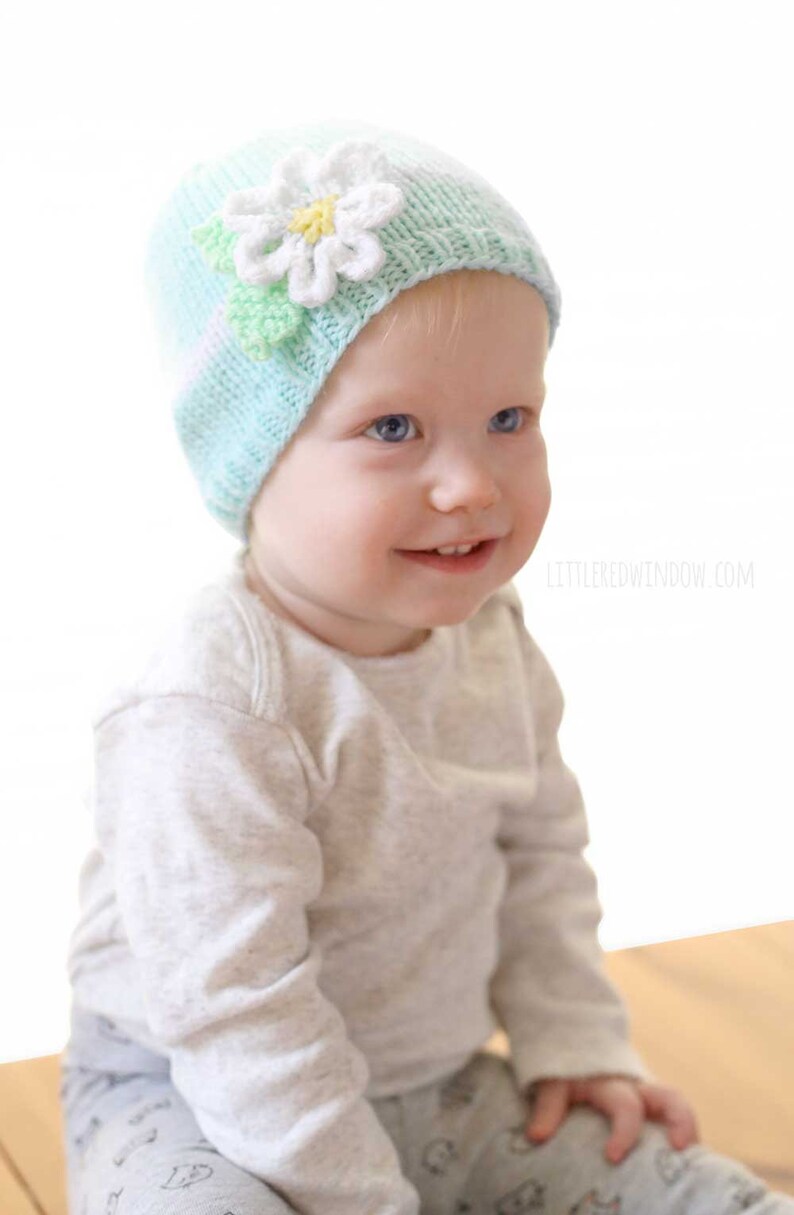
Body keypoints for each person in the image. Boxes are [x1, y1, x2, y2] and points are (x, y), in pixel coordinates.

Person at [59, 120, 792, 1215]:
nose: (471, 486)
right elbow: (233, 1004)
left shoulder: (490, 636)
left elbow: (540, 845)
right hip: (194, 1101)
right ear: (252, 459)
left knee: (698, 1192)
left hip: (441, 1086)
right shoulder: (207, 700)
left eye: (509, 419)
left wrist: (572, 1040)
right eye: (393, 426)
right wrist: (360, 1197)